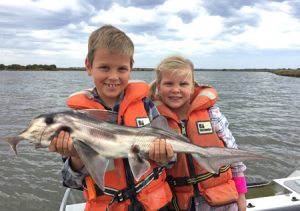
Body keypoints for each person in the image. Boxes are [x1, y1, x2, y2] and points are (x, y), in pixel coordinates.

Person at [49, 24, 174, 211]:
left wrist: (165, 155)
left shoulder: (146, 106)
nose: (113, 77)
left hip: (156, 204)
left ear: (131, 67)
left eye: (121, 69)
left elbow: (172, 161)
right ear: (89, 66)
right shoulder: (75, 119)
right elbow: (70, 181)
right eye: (105, 68)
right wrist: (76, 159)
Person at [149, 55, 247, 211]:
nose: (176, 90)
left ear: (192, 87)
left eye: (183, 84)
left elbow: (235, 159)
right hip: (178, 204)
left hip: (223, 204)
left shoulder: (211, 115)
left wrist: (241, 197)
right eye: (168, 83)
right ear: (159, 88)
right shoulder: (153, 120)